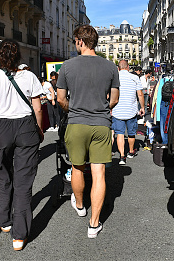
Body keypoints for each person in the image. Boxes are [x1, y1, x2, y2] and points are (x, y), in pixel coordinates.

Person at [0, 39, 44, 251]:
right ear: (18, 56)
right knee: (24, 181)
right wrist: (40, 130)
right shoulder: (30, 77)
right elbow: (38, 109)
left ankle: (4, 221)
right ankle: (20, 235)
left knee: (2, 174)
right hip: (26, 126)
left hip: (2, 128)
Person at [57, 25, 119, 238]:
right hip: (101, 124)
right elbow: (115, 99)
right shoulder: (111, 67)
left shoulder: (67, 66)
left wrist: (72, 108)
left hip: (76, 123)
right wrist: (102, 109)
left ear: (80, 42)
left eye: (75, 41)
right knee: (99, 171)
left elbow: (60, 99)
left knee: (77, 167)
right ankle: (94, 224)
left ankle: (81, 206)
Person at [112, 60, 145, 165]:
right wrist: (142, 107)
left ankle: (122, 156)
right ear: (128, 67)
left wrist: (110, 108)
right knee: (131, 133)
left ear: (118, 68)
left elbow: (109, 94)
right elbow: (140, 94)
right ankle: (131, 152)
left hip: (117, 110)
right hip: (131, 110)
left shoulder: (114, 78)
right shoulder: (135, 78)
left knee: (120, 134)